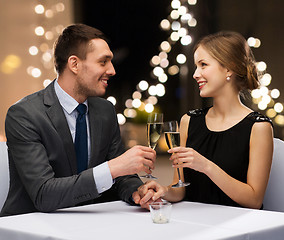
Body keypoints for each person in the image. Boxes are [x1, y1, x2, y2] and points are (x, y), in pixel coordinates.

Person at [0, 24, 157, 217]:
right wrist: (112, 168)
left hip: (90, 222)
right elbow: (43, 195)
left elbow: (123, 177)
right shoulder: (24, 115)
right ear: (74, 64)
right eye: (103, 62)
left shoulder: (105, 111)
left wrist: (137, 192)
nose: (112, 70)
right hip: (29, 226)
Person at [138, 31, 274, 209]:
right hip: (193, 223)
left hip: (237, 228)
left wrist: (206, 166)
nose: (195, 74)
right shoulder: (189, 121)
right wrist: (162, 190)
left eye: (203, 65)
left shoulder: (258, 127)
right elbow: (179, 189)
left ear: (229, 68)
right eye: (196, 66)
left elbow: (253, 200)